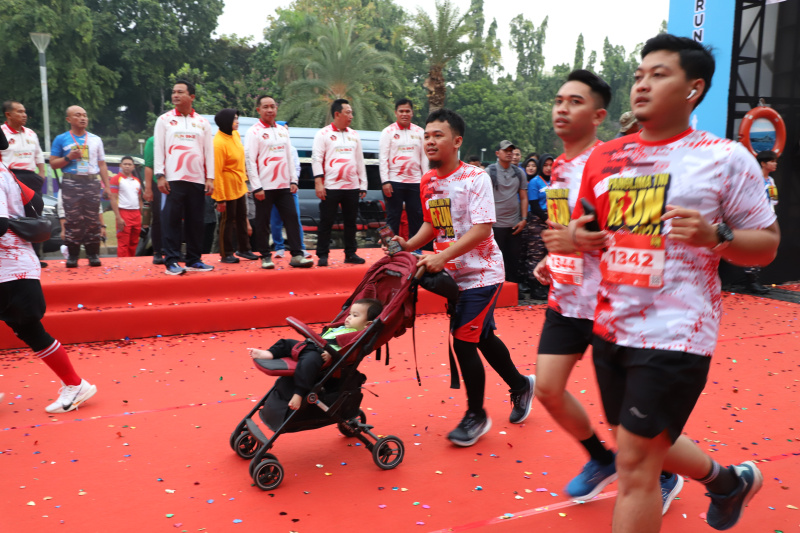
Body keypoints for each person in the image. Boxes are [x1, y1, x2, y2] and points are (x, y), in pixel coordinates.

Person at [571, 34, 778, 532]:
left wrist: (719, 235)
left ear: (694, 88)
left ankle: (723, 483)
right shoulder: (606, 158)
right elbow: (587, 223)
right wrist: (581, 235)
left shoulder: (725, 158)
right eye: (640, 74)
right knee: (637, 444)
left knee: (636, 464)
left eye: (659, 74)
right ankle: (728, 482)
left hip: (678, 332)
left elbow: (768, 245)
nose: (642, 83)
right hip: (610, 325)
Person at [532, 69, 661, 508]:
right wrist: (554, 256)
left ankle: (658, 474)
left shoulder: (614, 163)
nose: (561, 109)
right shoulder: (561, 166)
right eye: (558, 101)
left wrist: (591, 242)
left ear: (599, 115)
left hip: (611, 305)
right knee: (548, 389)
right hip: (567, 300)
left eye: (574, 102)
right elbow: (571, 229)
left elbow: (638, 232)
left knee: (627, 417)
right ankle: (600, 460)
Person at [391, 108, 535, 446]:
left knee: (463, 341)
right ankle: (521, 385)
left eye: (437, 135)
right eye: (426, 135)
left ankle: (476, 415)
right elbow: (434, 224)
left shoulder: (475, 178)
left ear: (457, 141)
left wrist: (440, 256)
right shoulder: (428, 181)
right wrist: (408, 245)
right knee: (480, 338)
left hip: (483, 274)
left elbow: (483, 230)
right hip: (453, 276)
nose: (429, 141)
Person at [0, 129, 97, 413]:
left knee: (30, 329)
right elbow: (34, 204)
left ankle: (75, 384)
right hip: (15, 265)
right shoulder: (6, 172)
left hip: (10, 269)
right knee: (29, 330)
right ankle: (75, 384)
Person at [248, 298, 382, 410]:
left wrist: (332, 354)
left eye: (355, 316)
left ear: (367, 325)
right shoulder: (342, 327)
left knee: (309, 362)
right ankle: (269, 353)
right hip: (311, 346)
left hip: (321, 355)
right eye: (349, 314)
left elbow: (347, 350)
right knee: (286, 342)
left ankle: (299, 393)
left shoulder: (355, 336)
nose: (348, 318)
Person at [154, 80, 215, 276]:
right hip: (173, 178)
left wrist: (210, 178)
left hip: (197, 179)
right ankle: (171, 261)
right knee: (171, 220)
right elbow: (159, 149)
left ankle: (194, 259)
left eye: (180, 92)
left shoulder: (203, 123)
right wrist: (160, 175)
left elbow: (208, 152)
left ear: (192, 96)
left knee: (195, 221)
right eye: (173, 92)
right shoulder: (164, 120)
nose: (175, 95)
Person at [245, 96, 312, 269]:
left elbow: (289, 157)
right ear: (258, 110)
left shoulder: (283, 131)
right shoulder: (254, 132)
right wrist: (256, 186)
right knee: (263, 222)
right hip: (264, 188)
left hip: (284, 186)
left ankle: (297, 255)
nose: (269, 110)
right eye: (265, 107)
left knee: (292, 219)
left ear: (276, 108)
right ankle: (266, 256)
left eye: (272, 107)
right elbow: (250, 160)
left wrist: (293, 180)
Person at [50, 106, 115, 268]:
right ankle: (73, 256)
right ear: (69, 119)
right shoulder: (61, 139)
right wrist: (68, 157)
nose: (82, 118)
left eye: (85, 115)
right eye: (77, 115)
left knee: (92, 220)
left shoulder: (95, 139)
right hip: (71, 182)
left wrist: (107, 186)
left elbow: (102, 164)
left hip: (91, 182)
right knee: (73, 221)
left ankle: (93, 254)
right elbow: (53, 163)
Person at [311, 99, 368, 267]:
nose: (351, 115)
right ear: (337, 114)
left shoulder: (354, 135)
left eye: (351, 112)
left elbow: (359, 161)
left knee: (351, 222)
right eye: (348, 112)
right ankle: (322, 254)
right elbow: (316, 159)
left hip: (351, 186)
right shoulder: (323, 134)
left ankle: (350, 253)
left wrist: (362, 184)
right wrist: (318, 183)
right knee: (326, 221)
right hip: (331, 186)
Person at [1, 100, 48, 267]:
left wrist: (41, 175)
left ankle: (36, 255)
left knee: (34, 215)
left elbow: (39, 155)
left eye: (24, 111)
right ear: (8, 114)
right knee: (12, 216)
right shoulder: (2, 132)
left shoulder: (30, 133)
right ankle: (9, 254)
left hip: (31, 177)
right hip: (10, 178)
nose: (24, 115)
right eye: (19, 112)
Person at [379, 98, 428, 243]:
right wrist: (385, 181)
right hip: (394, 181)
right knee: (392, 216)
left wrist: (425, 180)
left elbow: (424, 158)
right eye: (401, 111)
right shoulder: (388, 132)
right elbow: (383, 158)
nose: (404, 114)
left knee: (417, 216)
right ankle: (390, 251)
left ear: (412, 113)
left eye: (407, 111)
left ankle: (415, 249)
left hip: (416, 182)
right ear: (396, 113)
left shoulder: (420, 132)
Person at [211, 109, 257, 264]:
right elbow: (217, 171)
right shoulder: (218, 143)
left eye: (237, 118)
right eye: (234, 119)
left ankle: (245, 249)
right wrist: (220, 198)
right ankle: (226, 253)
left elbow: (240, 159)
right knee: (227, 221)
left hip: (239, 184)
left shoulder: (235, 135)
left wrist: (244, 179)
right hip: (226, 185)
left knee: (242, 218)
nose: (237, 122)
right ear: (226, 122)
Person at [485, 140, 528, 296]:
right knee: (495, 260)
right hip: (495, 224)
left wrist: (523, 219)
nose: (509, 153)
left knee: (514, 259)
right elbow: (483, 197)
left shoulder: (519, 172)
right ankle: (496, 292)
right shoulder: (489, 172)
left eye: (511, 150)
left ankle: (513, 292)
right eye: (505, 150)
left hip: (515, 224)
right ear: (497, 153)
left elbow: (523, 197)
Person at [270, 121, 311, 260]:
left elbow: (297, 167)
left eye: (287, 129)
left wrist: (294, 182)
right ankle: (279, 248)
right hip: (274, 188)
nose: (286, 132)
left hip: (290, 189)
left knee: (295, 219)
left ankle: (301, 248)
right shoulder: (271, 147)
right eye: (283, 129)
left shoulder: (292, 149)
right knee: (275, 221)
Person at [743, 150, 779, 294]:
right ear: (763, 163)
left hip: (768, 218)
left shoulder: (771, 180)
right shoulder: (753, 179)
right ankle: (750, 281)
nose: (775, 164)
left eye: (775, 161)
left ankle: (755, 280)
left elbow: (774, 200)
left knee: (760, 248)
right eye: (772, 161)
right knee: (751, 248)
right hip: (754, 218)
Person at [523, 154, 553, 300]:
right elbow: (534, 205)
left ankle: (548, 284)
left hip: (554, 219)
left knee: (551, 253)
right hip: (538, 220)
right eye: (545, 165)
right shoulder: (535, 181)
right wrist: (547, 220)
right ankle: (535, 286)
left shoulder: (556, 181)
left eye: (551, 165)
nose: (548, 168)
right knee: (536, 254)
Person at [109, 156, 142, 257]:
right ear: (120, 166)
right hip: (124, 213)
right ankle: (123, 268)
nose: (127, 166)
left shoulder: (137, 180)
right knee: (123, 243)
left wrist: (141, 216)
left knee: (134, 243)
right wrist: (118, 217)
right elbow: (113, 199)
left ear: (133, 167)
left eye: (129, 164)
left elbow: (139, 199)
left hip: (136, 214)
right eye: (125, 164)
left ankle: (131, 265)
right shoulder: (116, 179)